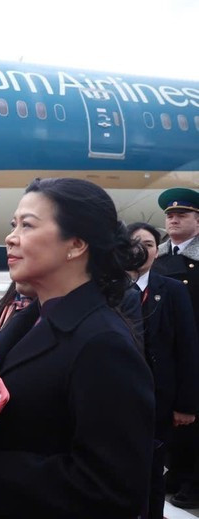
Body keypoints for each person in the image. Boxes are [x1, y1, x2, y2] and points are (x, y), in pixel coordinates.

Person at [0, 177, 154, 518]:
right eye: (13, 224)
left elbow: (114, 486)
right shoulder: (28, 320)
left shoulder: (102, 344)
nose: (11, 237)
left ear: (76, 244)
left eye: (27, 225)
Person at [128, 221, 199, 519]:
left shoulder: (170, 289)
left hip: (158, 400)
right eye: (135, 244)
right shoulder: (107, 289)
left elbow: (187, 348)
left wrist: (186, 405)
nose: (141, 251)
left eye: (149, 245)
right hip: (117, 398)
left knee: (153, 475)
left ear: (158, 252)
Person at [151, 187, 199, 508]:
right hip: (167, 349)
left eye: (182, 214)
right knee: (173, 421)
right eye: (169, 215)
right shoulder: (159, 257)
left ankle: (195, 482)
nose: (174, 219)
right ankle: (178, 474)